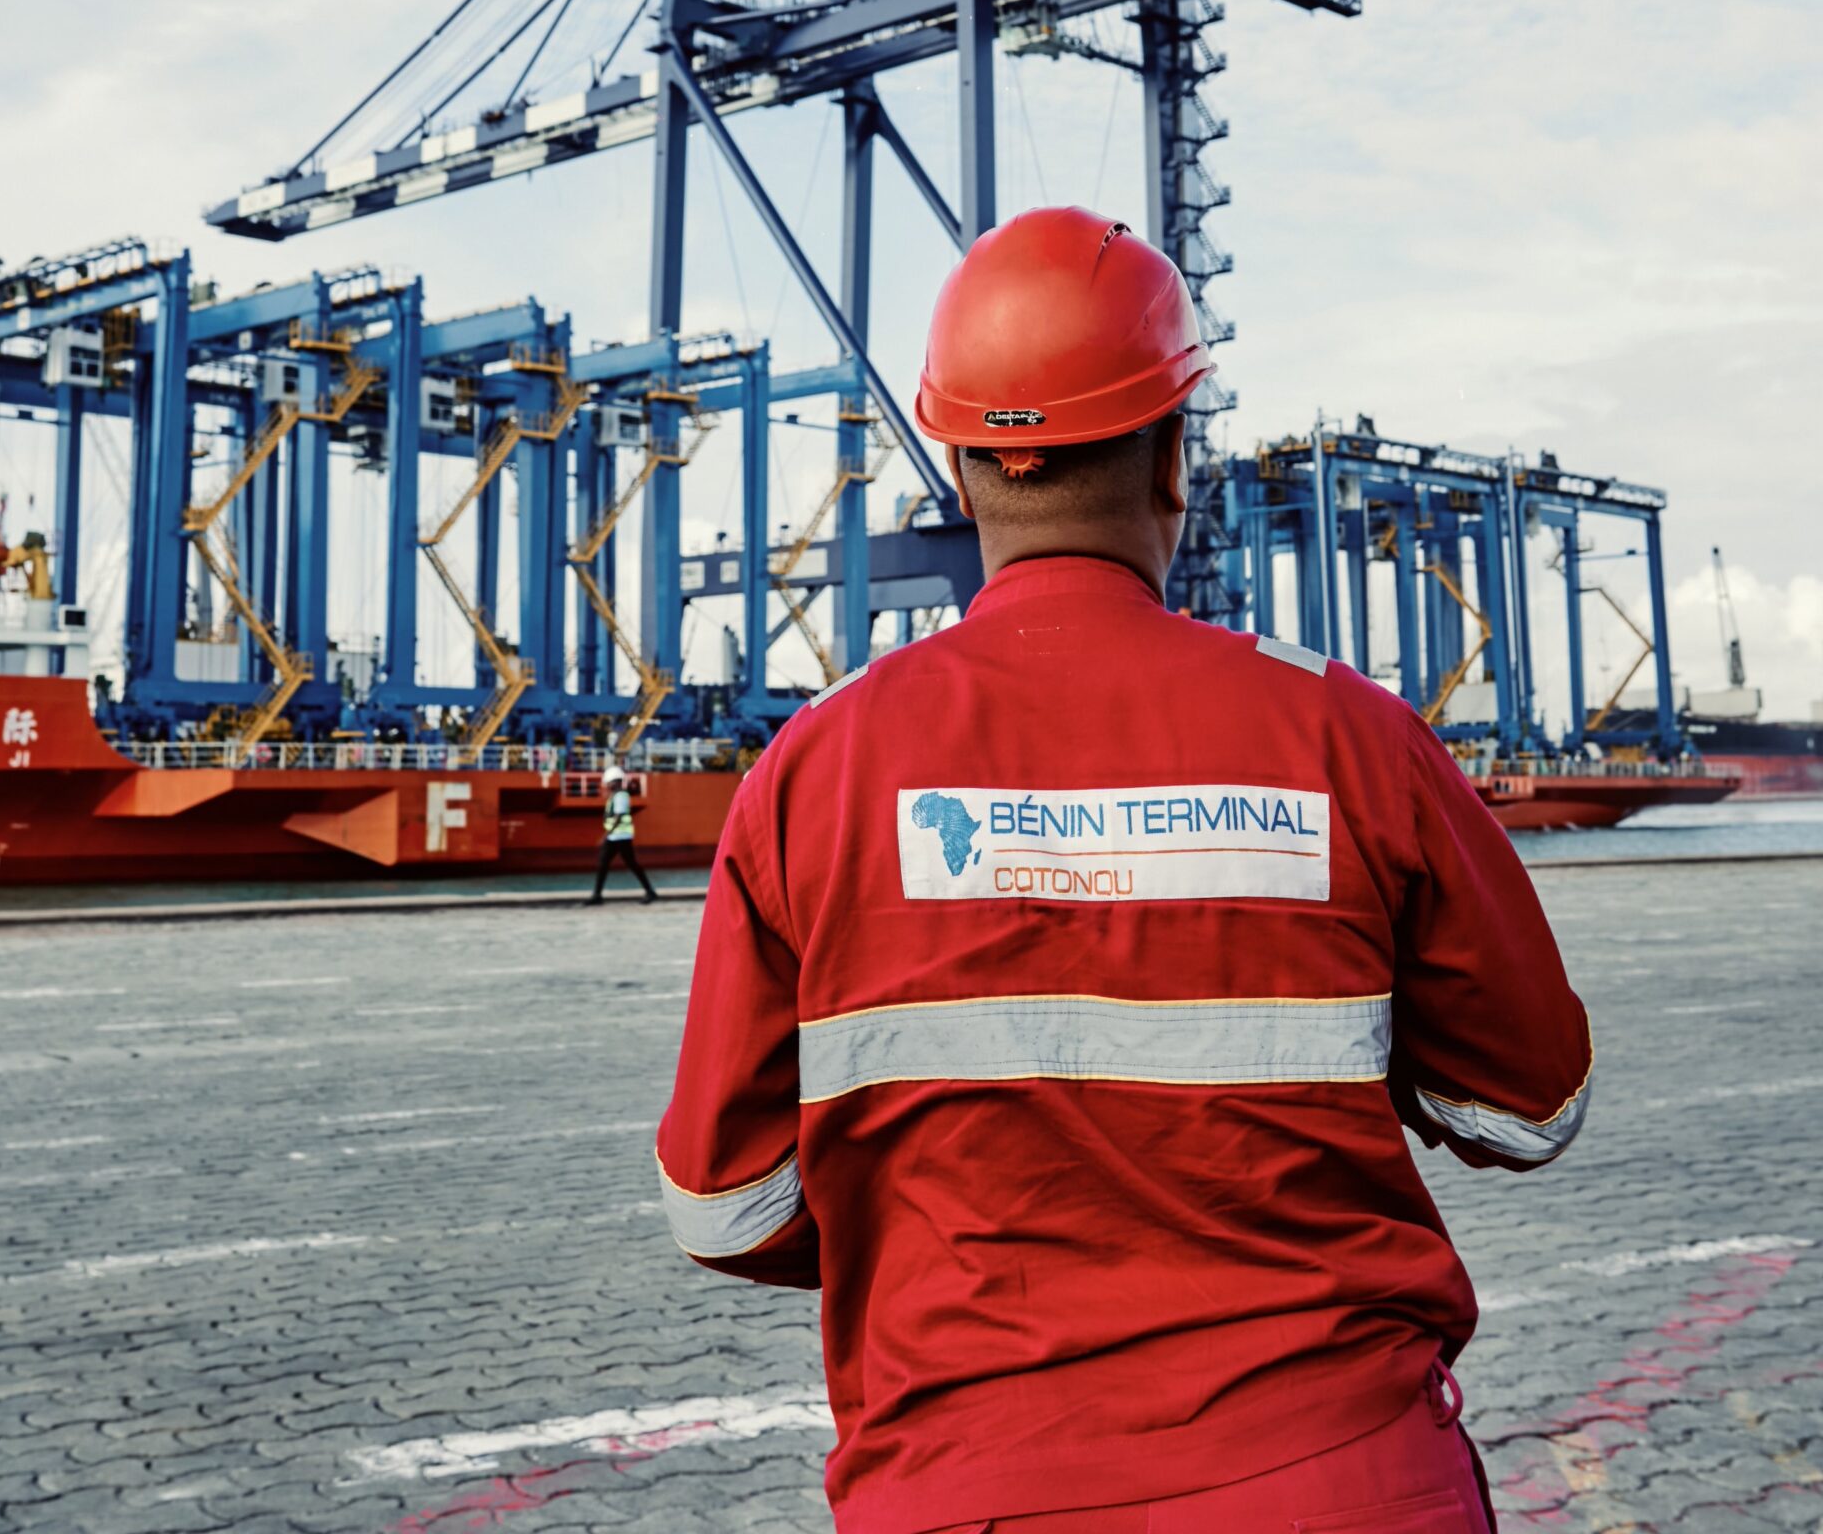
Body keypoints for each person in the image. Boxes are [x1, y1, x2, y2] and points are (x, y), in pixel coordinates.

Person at [657, 207, 1589, 1533]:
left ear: (959, 463)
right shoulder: (1354, 738)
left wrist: (944, 1228)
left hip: (965, 1486)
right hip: (1344, 1482)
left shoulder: (813, 772)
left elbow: (726, 1209)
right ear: (1174, 461)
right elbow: (1528, 1108)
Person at [588, 770, 656, 904]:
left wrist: (606, 835)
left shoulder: (620, 796)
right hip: (616, 836)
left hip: (620, 836)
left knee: (624, 864)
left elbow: (619, 816)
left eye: (609, 782)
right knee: (605, 864)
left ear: (615, 782)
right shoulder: (615, 795)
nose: (607, 785)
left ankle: (650, 892)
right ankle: (597, 895)